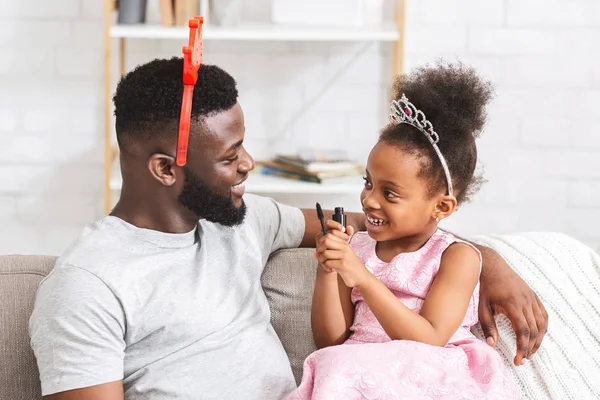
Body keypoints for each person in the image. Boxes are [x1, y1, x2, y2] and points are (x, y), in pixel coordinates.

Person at [28, 58, 546, 400]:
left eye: (244, 145)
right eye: (231, 157)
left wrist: (488, 261)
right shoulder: (88, 285)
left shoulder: (244, 219)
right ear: (166, 169)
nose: (250, 163)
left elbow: (387, 225)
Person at [286, 63, 520, 399]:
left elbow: (429, 338)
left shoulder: (457, 258)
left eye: (389, 193)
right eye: (368, 183)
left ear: (441, 207)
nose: (369, 200)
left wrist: (364, 279)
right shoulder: (359, 248)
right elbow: (331, 341)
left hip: (426, 375)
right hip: (359, 367)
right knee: (334, 366)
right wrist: (329, 271)